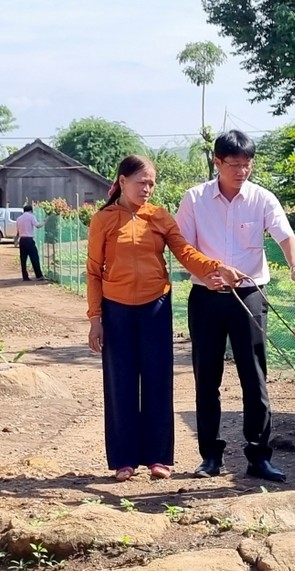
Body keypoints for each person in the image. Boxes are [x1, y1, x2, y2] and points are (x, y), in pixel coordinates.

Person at [86, 154, 244, 482]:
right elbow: (93, 272)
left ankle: (159, 457)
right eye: (142, 182)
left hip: (155, 306)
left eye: (151, 184)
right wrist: (95, 318)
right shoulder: (104, 220)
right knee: (121, 384)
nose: (147, 189)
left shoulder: (159, 217)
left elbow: (185, 252)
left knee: (158, 381)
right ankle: (124, 459)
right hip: (116, 310)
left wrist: (216, 268)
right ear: (123, 180)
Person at [176, 130, 295, 482]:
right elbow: (181, 246)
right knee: (207, 378)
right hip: (206, 296)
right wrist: (209, 270)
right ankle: (210, 457)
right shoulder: (194, 199)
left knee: (254, 377)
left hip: (249, 296)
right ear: (217, 162)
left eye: (247, 164)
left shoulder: (262, 199)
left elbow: (285, 235)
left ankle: (259, 457)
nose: (241, 171)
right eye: (234, 164)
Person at [16, 204, 47, 281]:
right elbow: (38, 225)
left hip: (22, 240)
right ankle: (39, 275)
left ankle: (25, 276)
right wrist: (45, 221)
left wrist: (15, 240)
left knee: (23, 259)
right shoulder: (31, 216)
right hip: (29, 240)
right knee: (34, 258)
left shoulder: (19, 218)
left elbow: (18, 232)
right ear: (31, 210)